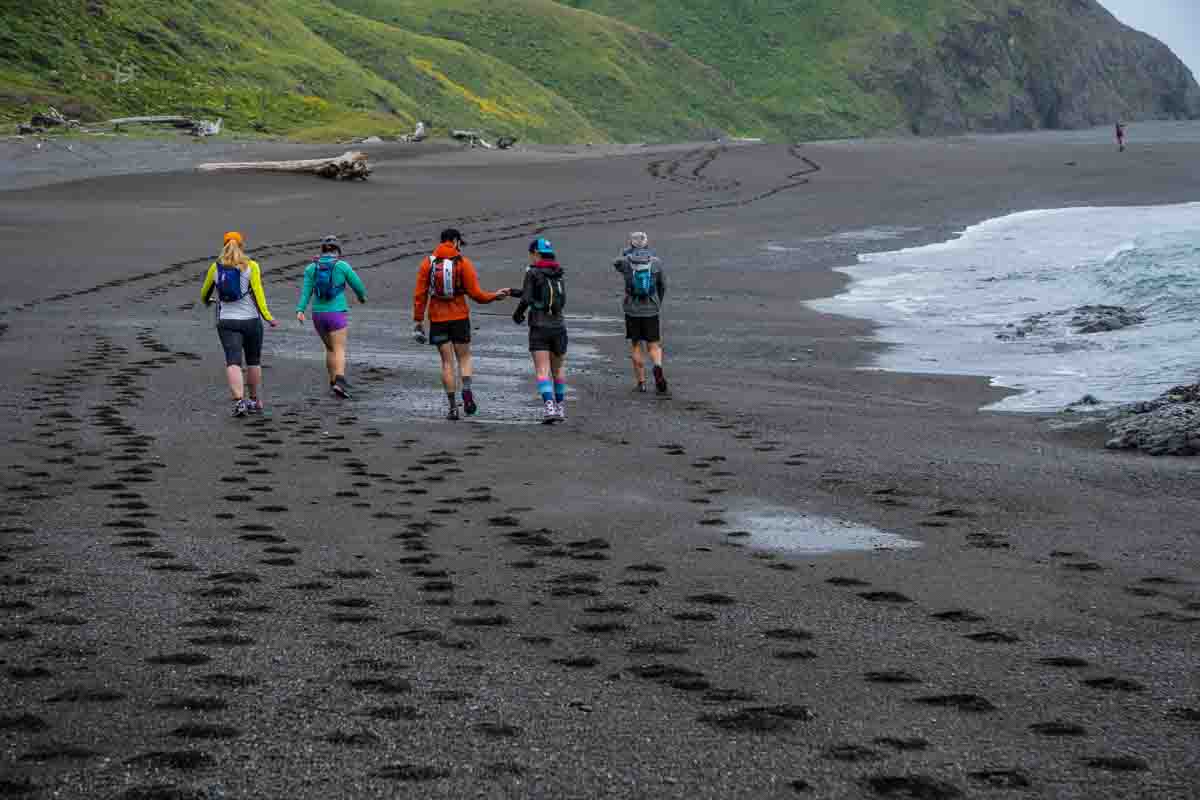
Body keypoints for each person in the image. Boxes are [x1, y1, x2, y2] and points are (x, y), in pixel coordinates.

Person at [412, 228, 510, 420]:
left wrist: (418, 320)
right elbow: (477, 295)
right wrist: (494, 297)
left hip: (438, 319)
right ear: (456, 241)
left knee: (447, 363)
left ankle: (452, 408)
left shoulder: (427, 263)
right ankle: (466, 391)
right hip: (459, 317)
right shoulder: (464, 263)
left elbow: (420, 295)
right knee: (464, 358)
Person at [200, 231, 277, 417]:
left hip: (227, 321)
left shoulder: (215, 267)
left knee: (233, 362)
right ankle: (254, 400)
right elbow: (259, 295)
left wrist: (208, 301)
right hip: (251, 321)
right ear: (242, 246)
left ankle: (239, 401)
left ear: (224, 245)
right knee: (253, 361)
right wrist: (268, 317)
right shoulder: (252, 266)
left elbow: (204, 294)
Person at [295, 235, 367, 399]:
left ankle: (332, 380)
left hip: (318, 315)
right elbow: (358, 286)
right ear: (338, 250)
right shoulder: (342, 266)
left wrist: (300, 310)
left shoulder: (311, 268)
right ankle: (340, 382)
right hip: (336, 313)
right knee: (339, 348)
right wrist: (362, 297)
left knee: (329, 348)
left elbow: (306, 292)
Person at [513, 237, 568, 423]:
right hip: (559, 325)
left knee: (542, 371)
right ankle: (560, 408)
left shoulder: (533, 272)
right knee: (558, 370)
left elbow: (528, 298)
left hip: (539, 325)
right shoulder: (558, 272)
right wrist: (513, 292)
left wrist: (518, 314)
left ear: (535, 253)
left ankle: (549, 407)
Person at [613, 231, 668, 394]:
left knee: (636, 345)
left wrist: (626, 252)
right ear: (647, 244)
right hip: (651, 308)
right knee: (654, 345)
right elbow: (663, 285)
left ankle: (641, 383)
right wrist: (658, 302)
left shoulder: (625, 262)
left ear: (631, 244)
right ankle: (657, 367)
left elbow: (615, 262)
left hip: (632, 309)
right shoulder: (656, 262)